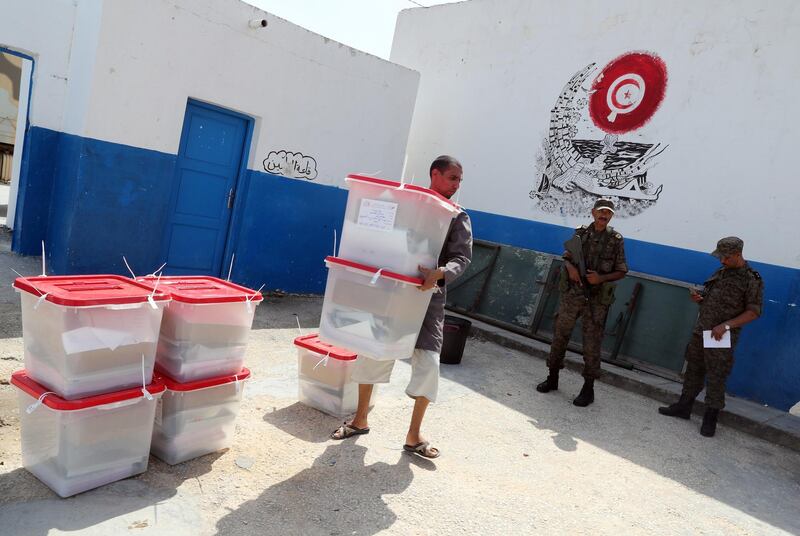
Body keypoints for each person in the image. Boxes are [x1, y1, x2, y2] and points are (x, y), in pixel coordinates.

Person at [331, 155, 473, 458]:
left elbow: (461, 258)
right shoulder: (409, 204)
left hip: (427, 298)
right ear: (435, 174)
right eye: (452, 178)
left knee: (429, 365)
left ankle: (413, 435)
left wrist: (441, 273)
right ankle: (360, 420)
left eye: (460, 179)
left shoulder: (456, 216)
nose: (457, 185)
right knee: (372, 353)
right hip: (390, 294)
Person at [659, 237, 763, 437]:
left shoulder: (752, 279)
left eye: (726, 257)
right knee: (693, 369)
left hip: (721, 336)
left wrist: (725, 326)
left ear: (738, 255)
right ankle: (684, 407)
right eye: (720, 257)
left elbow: (754, 312)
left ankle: (710, 418)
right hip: (702, 330)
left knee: (716, 376)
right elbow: (712, 300)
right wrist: (700, 299)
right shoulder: (721, 272)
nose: (722, 261)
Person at [536, 198, 627, 406]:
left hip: (596, 300)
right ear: (593, 212)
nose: (604, 215)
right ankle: (552, 378)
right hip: (573, 295)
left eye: (608, 213)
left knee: (592, 344)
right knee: (560, 335)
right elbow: (567, 256)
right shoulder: (580, 233)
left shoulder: (616, 239)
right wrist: (571, 268)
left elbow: (622, 271)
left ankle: (588, 389)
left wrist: (601, 278)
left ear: (611, 216)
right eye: (601, 212)